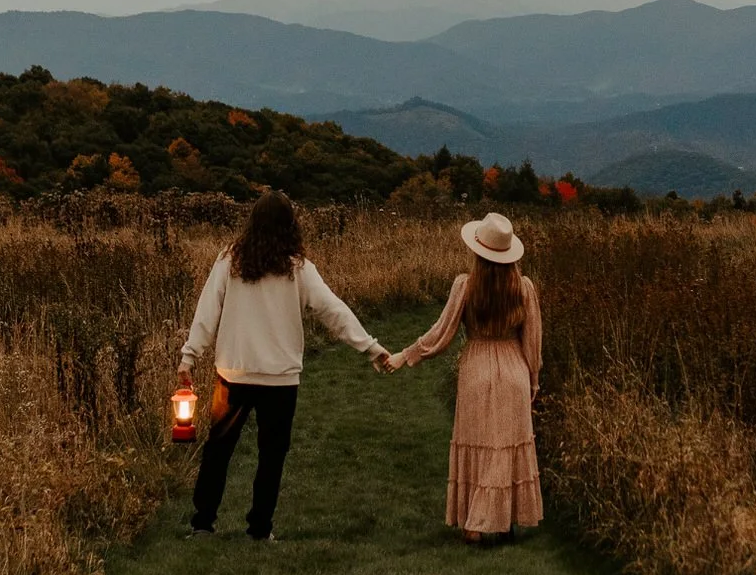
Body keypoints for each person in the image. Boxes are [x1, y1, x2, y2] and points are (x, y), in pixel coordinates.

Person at [180, 190, 389, 541]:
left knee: (219, 450)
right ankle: (259, 529)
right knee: (271, 456)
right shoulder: (298, 269)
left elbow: (206, 313)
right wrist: (370, 347)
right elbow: (333, 311)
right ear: (290, 226)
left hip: (235, 372)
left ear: (252, 222)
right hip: (280, 380)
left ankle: (203, 523)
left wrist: (189, 355)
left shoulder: (229, 262)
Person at [385, 212, 542, 544]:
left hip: (477, 369)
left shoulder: (466, 286)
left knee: (480, 443)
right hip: (513, 368)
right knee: (505, 446)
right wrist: (534, 378)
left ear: (478, 250)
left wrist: (406, 355)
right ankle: (503, 520)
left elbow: (441, 333)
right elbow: (533, 341)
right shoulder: (524, 288)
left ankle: (475, 524)